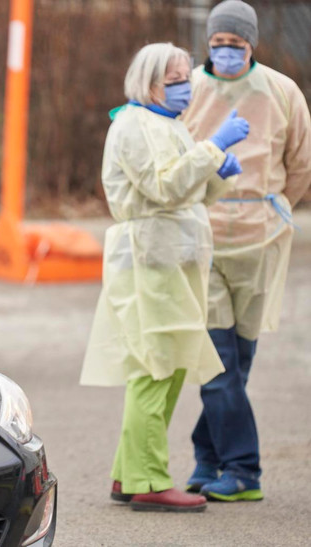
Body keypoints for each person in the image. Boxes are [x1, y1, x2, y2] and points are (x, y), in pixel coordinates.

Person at [80, 43, 250, 512]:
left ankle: (128, 473)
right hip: (150, 261)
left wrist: (218, 172)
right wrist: (213, 147)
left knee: (166, 366)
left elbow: (189, 191)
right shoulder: (134, 125)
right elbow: (163, 186)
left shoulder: (168, 123)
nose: (184, 88)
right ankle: (149, 480)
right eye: (174, 81)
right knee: (155, 368)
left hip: (171, 261)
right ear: (149, 83)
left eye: (185, 79)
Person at [181, 0, 311, 502]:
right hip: (205, 233)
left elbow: (301, 161)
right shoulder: (190, 87)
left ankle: (207, 457)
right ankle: (243, 469)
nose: (226, 52)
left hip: (261, 236)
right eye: (218, 43)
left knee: (239, 359)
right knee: (217, 359)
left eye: (235, 44)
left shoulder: (282, 91)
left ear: (251, 44)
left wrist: (278, 205)